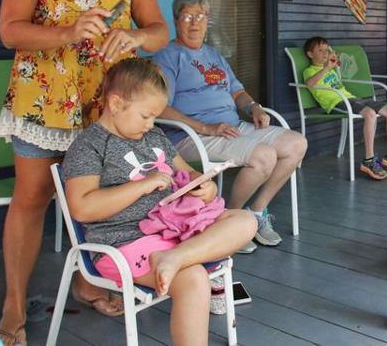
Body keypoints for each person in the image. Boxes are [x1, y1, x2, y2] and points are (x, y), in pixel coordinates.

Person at [0, 0, 170, 343]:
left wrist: (136, 37)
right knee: (32, 199)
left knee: (96, 201)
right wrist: (68, 33)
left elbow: (160, 29)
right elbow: (10, 30)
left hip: (104, 106)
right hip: (42, 97)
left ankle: (85, 283)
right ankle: (13, 308)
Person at [62, 58, 256, 345]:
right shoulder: (88, 147)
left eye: (154, 116)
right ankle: (179, 260)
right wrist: (140, 186)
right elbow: (82, 208)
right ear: (115, 104)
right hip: (125, 242)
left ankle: (175, 258)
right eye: (146, 116)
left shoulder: (153, 136)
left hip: (175, 233)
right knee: (193, 280)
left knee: (246, 220)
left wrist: (204, 187)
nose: (151, 123)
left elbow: (186, 173)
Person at [154, 0, 308, 254]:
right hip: (192, 136)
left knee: (296, 143)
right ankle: (229, 222)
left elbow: (237, 92)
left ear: (208, 20)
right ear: (176, 20)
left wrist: (254, 107)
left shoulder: (214, 55)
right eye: (188, 16)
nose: (195, 23)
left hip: (232, 128)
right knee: (264, 157)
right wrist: (206, 127)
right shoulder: (167, 57)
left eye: (201, 16)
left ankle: (256, 212)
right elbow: (159, 107)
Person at [302, 36, 387, 180]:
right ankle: (368, 160)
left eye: (326, 50)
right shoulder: (309, 71)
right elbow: (309, 84)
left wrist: (331, 64)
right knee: (370, 114)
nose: (325, 54)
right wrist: (327, 67)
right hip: (337, 103)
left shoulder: (331, 69)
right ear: (310, 54)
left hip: (350, 99)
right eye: (320, 51)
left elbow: (338, 68)